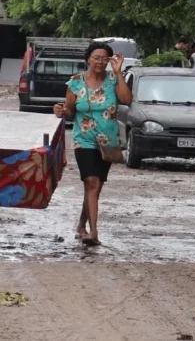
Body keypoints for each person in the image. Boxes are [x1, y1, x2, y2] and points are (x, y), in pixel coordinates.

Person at [52, 42, 133, 247]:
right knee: (91, 182)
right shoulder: (76, 82)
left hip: (108, 141)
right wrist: (61, 111)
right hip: (84, 139)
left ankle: (81, 224)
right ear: (88, 59)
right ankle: (94, 232)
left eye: (104, 58)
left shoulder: (114, 79)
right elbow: (70, 111)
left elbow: (127, 99)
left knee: (95, 187)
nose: (100, 62)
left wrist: (119, 72)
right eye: (96, 58)